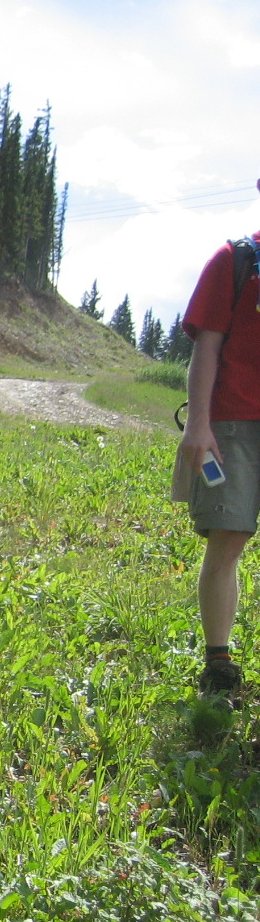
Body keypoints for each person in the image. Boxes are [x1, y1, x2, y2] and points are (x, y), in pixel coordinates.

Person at [177, 178, 260, 698]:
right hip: (232, 425)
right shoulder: (235, 261)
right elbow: (205, 348)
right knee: (228, 539)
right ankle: (219, 662)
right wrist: (198, 425)